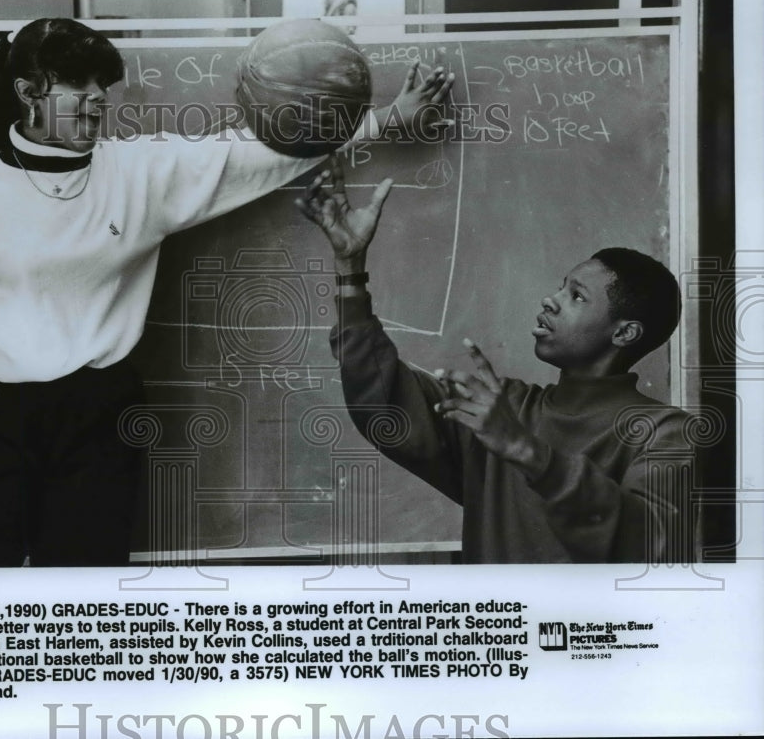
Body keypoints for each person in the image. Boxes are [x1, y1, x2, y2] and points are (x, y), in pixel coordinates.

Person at [0, 17, 455, 567]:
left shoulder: (139, 174)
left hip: (95, 418)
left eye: (104, 83)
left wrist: (384, 120)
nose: (98, 96)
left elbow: (268, 154)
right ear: (28, 92)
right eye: (78, 83)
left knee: (83, 609)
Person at [297, 155, 694, 564]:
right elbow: (385, 407)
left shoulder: (665, 433)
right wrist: (350, 271)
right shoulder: (504, 408)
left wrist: (529, 452)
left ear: (624, 333)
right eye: (561, 287)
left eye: (576, 296)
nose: (550, 300)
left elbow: (650, 547)